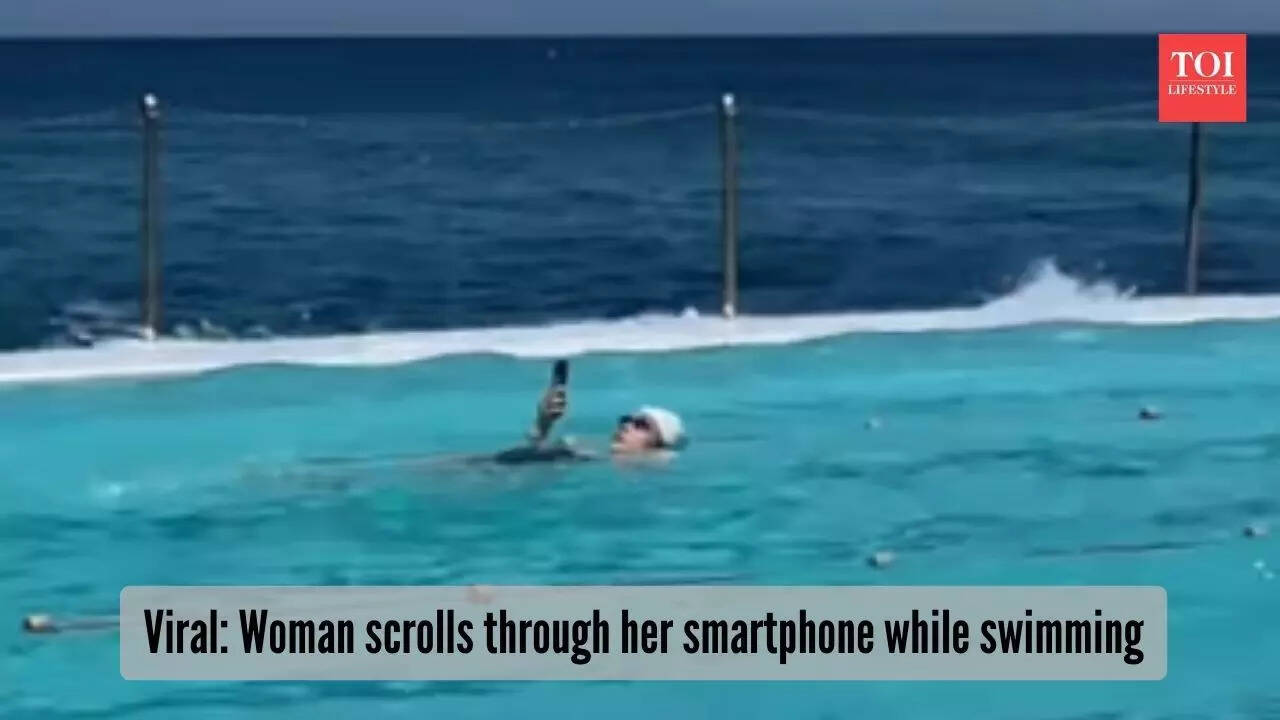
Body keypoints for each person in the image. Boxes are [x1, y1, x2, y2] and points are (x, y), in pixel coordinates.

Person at [491, 368, 686, 465]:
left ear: (658, 444)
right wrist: (544, 421)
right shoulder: (587, 452)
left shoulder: (594, 461)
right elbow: (532, 451)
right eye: (627, 421)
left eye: (641, 425)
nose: (626, 427)